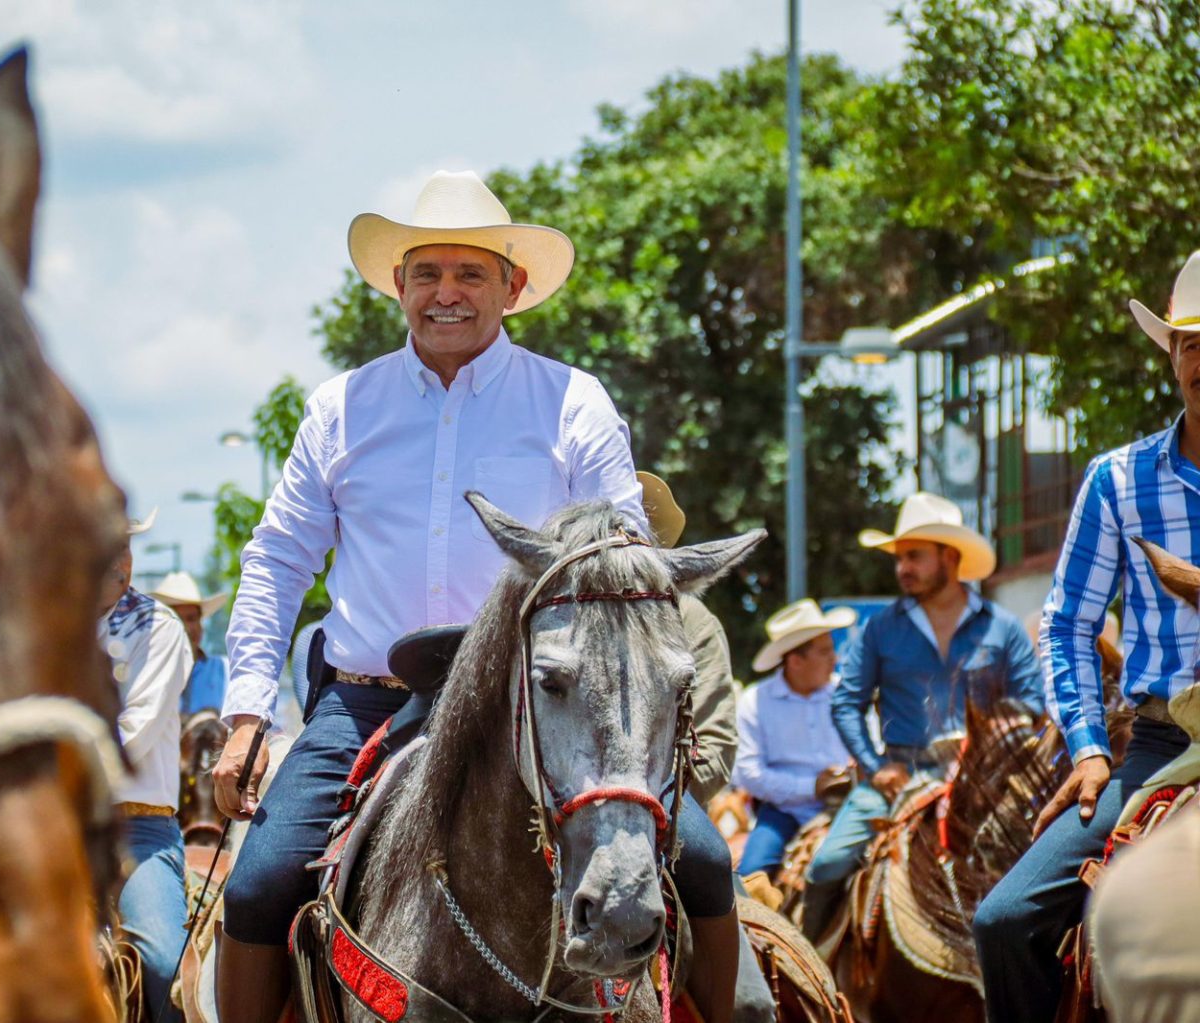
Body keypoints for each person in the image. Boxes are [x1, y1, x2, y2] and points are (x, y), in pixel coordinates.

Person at [213, 170, 742, 1023]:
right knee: (259, 883)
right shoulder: (340, 408)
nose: (446, 293)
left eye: (470, 273)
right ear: (399, 285)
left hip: (533, 699)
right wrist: (246, 713)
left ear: (513, 286)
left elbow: (626, 554)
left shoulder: (572, 401)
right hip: (366, 701)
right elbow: (277, 559)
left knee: (707, 866)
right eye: (426, 273)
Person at [973, 253, 1200, 1023]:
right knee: (1003, 922)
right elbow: (1068, 622)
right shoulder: (1119, 479)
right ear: (1171, 356)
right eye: (1191, 344)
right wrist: (1090, 748)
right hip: (1160, 745)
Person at [800, 492, 1040, 941]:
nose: (902, 568)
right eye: (899, 558)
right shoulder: (881, 628)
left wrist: (1006, 723)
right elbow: (846, 702)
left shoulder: (1003, 627)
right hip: (901, 780)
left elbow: (1033, 698)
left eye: (914, 556)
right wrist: (876, 767)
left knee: (1044, 860)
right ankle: (810, 970)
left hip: (987, 782)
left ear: (950, 557)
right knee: (827, 865)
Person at [638, 471, 777, 1022]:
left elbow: (716, 744)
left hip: (663, 797)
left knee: (749, 1006)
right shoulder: (556, 609)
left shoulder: (692, 620)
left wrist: (650, 789)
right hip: (560, 795)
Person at [100, 513, 193, 1023]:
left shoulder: (158, 626)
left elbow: (134, 732)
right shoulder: (41, 623)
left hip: (135, 830)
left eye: (125, 544)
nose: (120, 558)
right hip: (45, 824)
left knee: (163, 964)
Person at [732, 599, 855, 879]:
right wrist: (812, 787)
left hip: (846, 806)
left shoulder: (846, 693)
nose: (835, 658)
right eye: (824, 652)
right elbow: (748, 774)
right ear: (795, 661)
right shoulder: (755, 701)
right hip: (783, 812)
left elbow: (871, 744)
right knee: (752, 875)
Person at [151, 570, 230, 715]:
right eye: (176, 619)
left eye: (191, 619)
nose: (185, 628)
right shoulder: (147, 675)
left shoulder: (225, 671)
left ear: (201, 625)